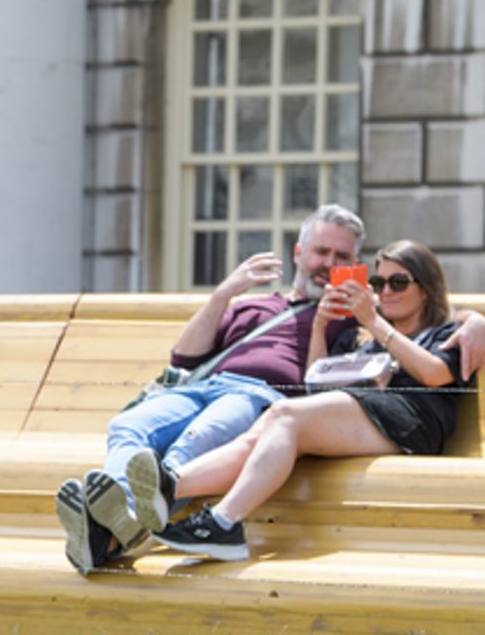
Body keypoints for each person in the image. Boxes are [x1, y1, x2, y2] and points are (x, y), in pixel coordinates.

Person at [54, 204, 367, 575]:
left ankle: (106, 535)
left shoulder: (354, 321)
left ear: (355, 263)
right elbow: (184, 357)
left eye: (342, 257)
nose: (329, 263)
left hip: (259, 397)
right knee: (128, 424)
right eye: (321, 251)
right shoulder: (252, 306)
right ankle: (122, 522)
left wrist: (338, 318)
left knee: (194, 442)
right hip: (202, 387)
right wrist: (224, 293)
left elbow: (320, 387)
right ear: (299, 253)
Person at [141, 240, 471, 560]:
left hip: (412, 423)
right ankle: (169, 485)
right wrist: (320, 325)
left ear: (426, 288)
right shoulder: (362, 340)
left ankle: (223, 521)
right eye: (378, 283)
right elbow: (317, 383)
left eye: (398, 282)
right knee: (264, 429)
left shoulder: (448, 332)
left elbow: (434, 374)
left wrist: (374, 321)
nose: (386, 292)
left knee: (284, 414)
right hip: (364, 414)